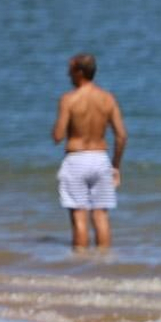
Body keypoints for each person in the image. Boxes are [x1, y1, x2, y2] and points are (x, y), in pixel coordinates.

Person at [53, 53, 127, 251]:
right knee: (101, 215)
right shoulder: (108, 99)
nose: (67, 73)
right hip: (101, 158)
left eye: (70, 68)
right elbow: (121, 136)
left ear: (79, 72)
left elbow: (58, 136)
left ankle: (80, 264)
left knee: (79, 215)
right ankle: (103, 264)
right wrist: (116, 166)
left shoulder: (68, 99)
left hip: (76, 159)